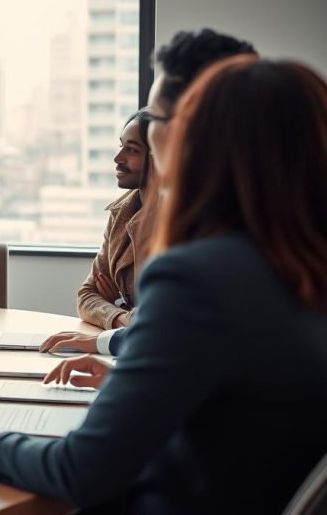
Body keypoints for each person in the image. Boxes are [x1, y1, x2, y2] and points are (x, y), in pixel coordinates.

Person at [0, 57, 327, 513]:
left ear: (209, 150)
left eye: (175, 128)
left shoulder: (201, 275)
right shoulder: (295, 265)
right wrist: (141, 378)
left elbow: (82, 470)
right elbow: (245, 388)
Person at [42, 28, 256, 356]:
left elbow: (164, 333)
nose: (118, 158)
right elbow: (92, 297)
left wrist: (130, 324)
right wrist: (124, 322)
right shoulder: (129, 212)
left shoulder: (209, 245)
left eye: (157, 121)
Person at [75, 111, 153, 330]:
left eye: (132, 150)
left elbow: (157, 316)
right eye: (121, 146)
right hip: (129, 343)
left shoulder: (180, 222)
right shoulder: (122, 212)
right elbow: (87, 295)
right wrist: (124, 315)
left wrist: (117, 302)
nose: (118, 159)